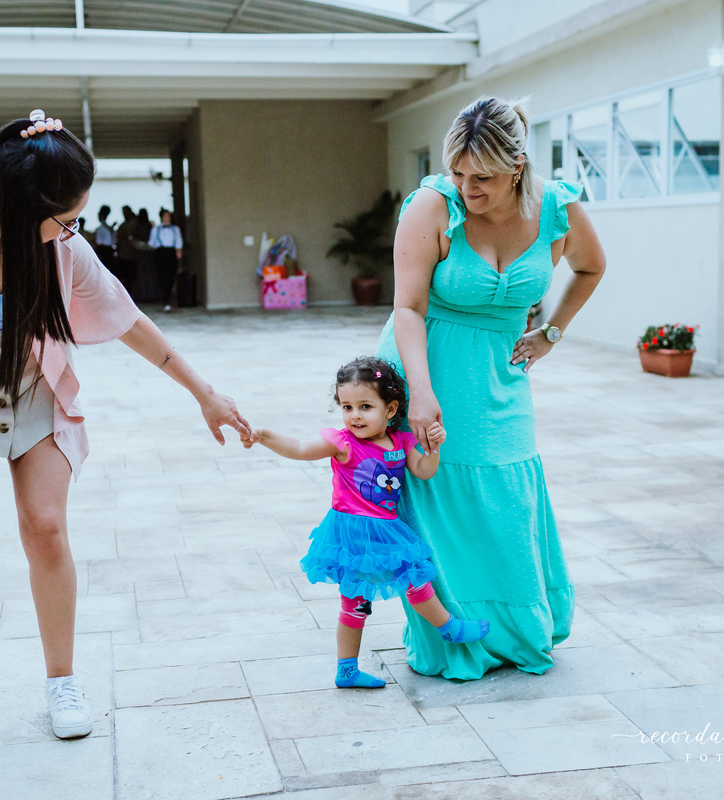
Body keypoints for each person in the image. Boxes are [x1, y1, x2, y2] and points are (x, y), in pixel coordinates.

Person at [0, 110, 250, 762]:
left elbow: (128, 318)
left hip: (34, 398)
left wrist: (205, 392)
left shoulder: (56, 244)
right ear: (13, 205)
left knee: (47, 528)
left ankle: (62, 682)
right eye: (64, 217)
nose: (72, 231)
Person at [375, 97, 606, 680]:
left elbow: (591, 267)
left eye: (482, 178)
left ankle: (517, 630)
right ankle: (453, 634)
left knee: (509, 493)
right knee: (441, 501)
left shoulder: (557, 209)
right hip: (427, 360)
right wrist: (421, 395)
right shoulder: (433, 206)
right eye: (457, 172)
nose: (466, 188)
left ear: (518, 168)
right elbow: (407, 307)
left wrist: (553, 330)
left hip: (501, 374)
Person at [241, 357, 489, 688]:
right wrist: (263, 435)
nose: (354, 415)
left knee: (414, 579)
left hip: (384, 529)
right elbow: (300, 448)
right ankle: (348, 669)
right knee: (356, 604)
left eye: (365, 406)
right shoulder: (343, 443)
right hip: (351, 534)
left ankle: (449, 628)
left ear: (390, 410)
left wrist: (434, 447)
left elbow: (424, 471)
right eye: (347, 406)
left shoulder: (400, 442)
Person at [148, 208, 182, 312]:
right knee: (162, 276)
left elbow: (178, 241)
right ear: (162, 217)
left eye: (169, 216)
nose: (167, 218)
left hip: (171, 252)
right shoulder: (156, 229)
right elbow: (152, 243)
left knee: (171, 275)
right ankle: (165, 298)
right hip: (160, 252)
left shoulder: (175, 229)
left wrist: (178, 252)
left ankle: (169, 297)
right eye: (165, 216)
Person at [114, 205, 139, 299]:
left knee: (131, 277)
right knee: (125, 276)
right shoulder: (125, 223)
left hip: (131, 254)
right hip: (124, 253)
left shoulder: (133, 222)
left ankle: (131, 295)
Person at [92, 205, 116, 275]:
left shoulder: (100, 229)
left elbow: (98, 242)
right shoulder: (110, 228)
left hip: (103, 252)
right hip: (110, 251)